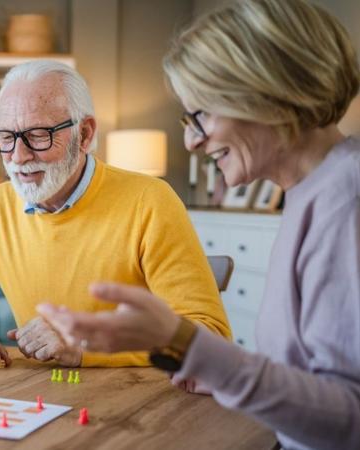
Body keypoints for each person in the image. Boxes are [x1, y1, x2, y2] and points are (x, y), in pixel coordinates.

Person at [38, 0, 360, 448]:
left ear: (266, 94)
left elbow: (349, 418)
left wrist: (191, 347)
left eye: (201, 115)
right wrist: (219, 372)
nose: (191, 140)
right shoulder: (313, 192)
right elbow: (308, 378)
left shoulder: (346, 202)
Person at [0, 60, 231, 369]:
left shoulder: (150, 201)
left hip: (140, 400)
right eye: (7, 136)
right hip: (46, 396)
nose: (18, 157)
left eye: (38, 135)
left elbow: (211, 336)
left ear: (84, 134)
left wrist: (84, 346)